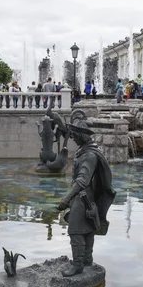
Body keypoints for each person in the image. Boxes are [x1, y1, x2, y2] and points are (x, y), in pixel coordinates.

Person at [57, 110, 116, 277]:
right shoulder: (86, 150)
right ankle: (87, 260)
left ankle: (77, 265)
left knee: (75, 231)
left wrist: (67, 199)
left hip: (82, 198)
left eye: (75, 135)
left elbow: (82, 180)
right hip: (87, 198)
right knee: (88, 229)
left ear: (82, 136)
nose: (73, 138)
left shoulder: (89, 155)